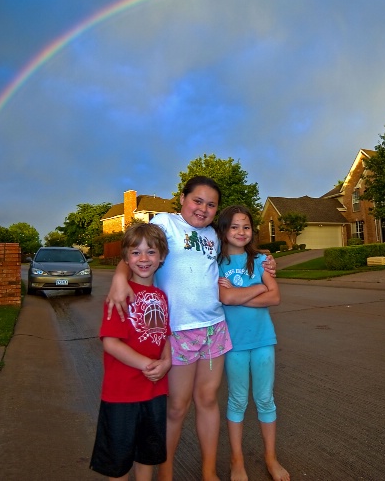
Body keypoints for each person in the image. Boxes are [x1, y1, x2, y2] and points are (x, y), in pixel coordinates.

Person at [105, 176, 276, 481]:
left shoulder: (214, 235)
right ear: (182, 198)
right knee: (177, 406)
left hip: (214, 327)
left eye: (211, 204)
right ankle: (166, 474)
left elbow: (243, 247)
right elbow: (135, 249)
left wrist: (267, 262)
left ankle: (208, 472)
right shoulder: (165, 223)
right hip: (178, 330)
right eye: (198, 200)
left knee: (208, 400)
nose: (203, 208)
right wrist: (120, 276)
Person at [90, 223, 172, 480]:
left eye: (151, 252)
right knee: (119, 461)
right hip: (122, 393)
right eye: (136, 253)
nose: (144, 258)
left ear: (162, 257)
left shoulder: (161, 296)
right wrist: (148, 365)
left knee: (148, 455)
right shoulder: (119, 295)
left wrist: (167, 362)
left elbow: (165, 335)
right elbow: (111, 343)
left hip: (154, 391)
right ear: (125, 258)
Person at [216, 205, 290, 481]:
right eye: (234, 226)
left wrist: (242, 291)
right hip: (233, 343)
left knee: (265, 399)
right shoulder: (217, 263)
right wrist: (259, 287)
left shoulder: (260, 261)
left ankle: (271, 458)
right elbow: (226, 299)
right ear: (223, 230)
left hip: (262, 340)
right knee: (237, 400)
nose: (240, 232)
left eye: (246, 227)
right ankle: (237, 462)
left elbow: (275, 297)